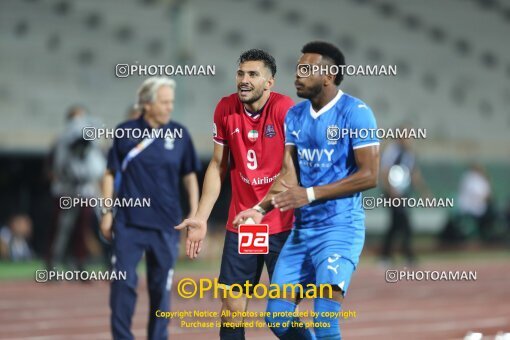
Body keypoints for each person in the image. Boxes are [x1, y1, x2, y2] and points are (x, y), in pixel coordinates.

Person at [233, 41, 380, 339]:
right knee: (277, 318)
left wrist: (310, 194)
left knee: (325, 320)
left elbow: (370, 175)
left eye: (306, 70)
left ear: (328, 76)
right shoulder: (295, 116)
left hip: (339, 230)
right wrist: (260, 209)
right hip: (302, 233)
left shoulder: (357, 113)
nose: (297, 76)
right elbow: (289, 175)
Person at [175, 49, 294, 340]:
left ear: (269, 83)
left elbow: (291, 172)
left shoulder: (285, 110)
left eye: (253, 74)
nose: (244, 79)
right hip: (244, 225)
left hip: (282, 223)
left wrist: (262, 209)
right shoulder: (225, 109)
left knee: (279, 315)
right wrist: (200, 218)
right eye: (241, 73)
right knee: (230, 305)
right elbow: (217, 166)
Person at [100, 77, 200, 340]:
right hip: (128, 224)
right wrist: (106, 211)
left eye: (172, 103)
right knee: (123, 285)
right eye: (164, 102)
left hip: (166, 225)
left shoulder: (180, 134)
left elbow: (190, 176)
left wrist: (195, 213)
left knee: (160, 291)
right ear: (146, 104)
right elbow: (109, 174)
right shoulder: (124, 132)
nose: (170, 108)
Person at [47, 105, 105, 271]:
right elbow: (56, 166)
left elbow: (97, 164)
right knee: (61, 227)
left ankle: (79, 262)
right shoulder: (62, 140)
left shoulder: (91, 140)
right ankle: (53, 262)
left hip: (86, 188)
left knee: (83, 226)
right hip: (66, 188)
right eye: (75, 118)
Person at [379, 133, 430, 265]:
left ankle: (386, 256)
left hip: (403, 193)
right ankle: (406, 256)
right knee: (404, 223)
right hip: (393, 193)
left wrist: (424, 192)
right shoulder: (392, 151)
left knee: (396, 225)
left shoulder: (410, 154)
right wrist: (391, 190)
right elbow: (384, 171)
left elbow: (414, 173)